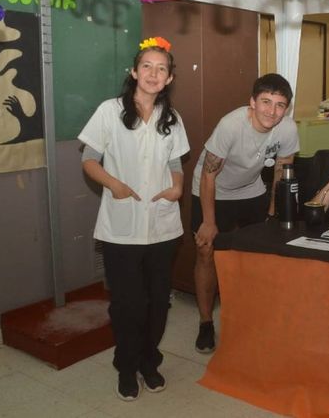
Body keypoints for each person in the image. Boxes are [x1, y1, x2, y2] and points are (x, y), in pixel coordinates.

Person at [79, 36, 189, 401]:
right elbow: (89, 160)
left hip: (162, 226)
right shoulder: (109, 111)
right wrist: (114, 185)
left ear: (169, 78)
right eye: (147, 66)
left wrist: (177, 187)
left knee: (157, 302)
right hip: (121, 229)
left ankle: (149, 361)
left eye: (161, 69)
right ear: (134, 72)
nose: (154, 74)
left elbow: (176, 163)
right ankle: (126, 367)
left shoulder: (172, 118)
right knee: (128, 304)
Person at [191, 73, 299, 353]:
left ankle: (251, 316)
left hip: (250, 189)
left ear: (286, 108)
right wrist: (209, 222)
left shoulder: (287, 128)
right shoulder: (231, 125)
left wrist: (273, 212)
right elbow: (208, 175)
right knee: (206, 251)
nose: (272, 111)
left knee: (258, 251)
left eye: (280, 105)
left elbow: (282, 171)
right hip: (213, 189)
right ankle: (205, 323)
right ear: (252, 102)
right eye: (266, 102)